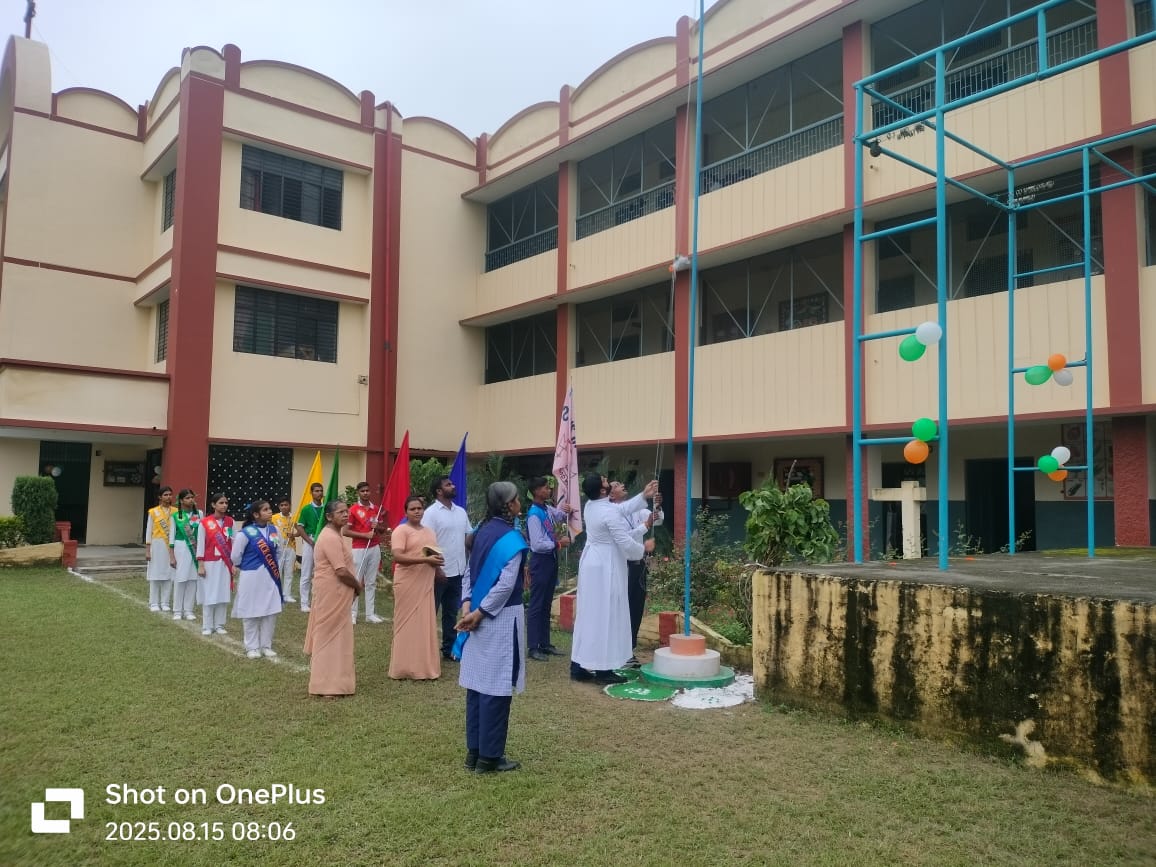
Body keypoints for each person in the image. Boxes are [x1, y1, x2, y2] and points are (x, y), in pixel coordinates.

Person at [454, 481, 530, 774]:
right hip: (500, 618)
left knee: (477, 685)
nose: (519, 502)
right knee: (496, 687)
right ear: (508, 505)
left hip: (476, 615)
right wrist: (480, 613)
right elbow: (506, 586)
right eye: (516, 499)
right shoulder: (512, 539)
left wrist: (468, 607)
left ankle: (473, 752)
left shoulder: (480, 532)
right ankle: (490, 757)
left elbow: (468, 574)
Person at [570, 474, 657, 684]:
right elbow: (624, 542)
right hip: (605, 566)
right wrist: (643, 549)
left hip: (592, 563)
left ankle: (577, 666)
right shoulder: (607, 511)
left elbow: (621, 509)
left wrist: (643, 495)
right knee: (606, 614)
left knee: (589, 614)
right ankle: (603, 671)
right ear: (602, 490)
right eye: (605, 481)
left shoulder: (591, 505)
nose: (608, 481)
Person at [304, 499, 361, 698]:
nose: (345, 515)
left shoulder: (337, 535)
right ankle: (324, 685)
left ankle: (337, 681)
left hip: (337, 592)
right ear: (329, 517)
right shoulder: (329, 537)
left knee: (339, 637)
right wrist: (357, 586)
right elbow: (341, 570)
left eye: (346, 511)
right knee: (328, 636)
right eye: (340, 512)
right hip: (331, 591)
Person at [389, 495, 444, 680]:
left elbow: (431, 554)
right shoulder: (401, 531)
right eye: (412, 509)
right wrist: (424, 560)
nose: (417, 512)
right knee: (406, 623)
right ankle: (402, 668)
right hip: (407, 582)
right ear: (406, 512)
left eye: (419, 508)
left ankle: (423, 667)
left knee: (424, 624)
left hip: (426, 582)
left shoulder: (430, 532)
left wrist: (438, 566)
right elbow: (398, 557)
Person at [608, 482, 663, 662]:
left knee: (636, 609)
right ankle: (618, 650)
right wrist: (645, 526)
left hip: (639, 565)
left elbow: (657, 520)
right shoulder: (612, 514)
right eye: (617, 485)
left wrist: (657, 506)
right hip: (624, 566)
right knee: (623, 609)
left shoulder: (636, 509)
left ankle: (629, 650)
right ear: (611, 495)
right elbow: (623, 539)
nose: (623, 485)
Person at [421, 475, 473, 660]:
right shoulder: (431, 513)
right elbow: (426, 544)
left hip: (458, 571)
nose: (453, 486)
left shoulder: (461, 512)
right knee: (430, 612)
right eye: (448, 484)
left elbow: (468, 537)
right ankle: (425, 652)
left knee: (451, 613)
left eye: (452, 483)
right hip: (438, 572)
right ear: (439, 491)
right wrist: (436, 569)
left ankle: (449, 649)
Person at [524, 476, 571, 661]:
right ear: (536, 491)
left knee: (546, 603)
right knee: (537, 604)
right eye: (545, 488)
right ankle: (533, 646)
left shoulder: (546, 509)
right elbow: (537, 544)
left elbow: (559, 515)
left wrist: (566, 509)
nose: (549, 490)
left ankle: (544, 643)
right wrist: (558, 544)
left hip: (551, 560)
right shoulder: (534, 514)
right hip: (541, 561)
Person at [232, 499, 284, 659]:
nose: (270, 511)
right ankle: (252, 647)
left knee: (270, 611)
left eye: (270, 508)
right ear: (256, 514)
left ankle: (266, 645)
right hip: (251, 576)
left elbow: (279, 551)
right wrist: (249, 565)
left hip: (271, 576)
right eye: (265, 509)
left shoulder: (274, 530)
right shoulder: (245, 533)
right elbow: (235, 556)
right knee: (251, 611)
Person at [345, 481, 386, 625]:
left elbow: (382, 529)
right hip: (359, 548)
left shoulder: (376, 509)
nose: (365, 493)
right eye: (362, 491)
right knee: (356, 581)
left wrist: (378, 526)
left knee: (371, 581)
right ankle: (352, 613)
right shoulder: (353, 509)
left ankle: (370, 614)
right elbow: (345, 531)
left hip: (374, 547)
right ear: (358, 493)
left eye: (367, 490)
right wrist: (364, 535)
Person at [196, 493, 235, 637]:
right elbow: (200, 544)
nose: (224, 505)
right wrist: (201, 564)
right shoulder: (205, 522)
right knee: (209, 593)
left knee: (223, 593)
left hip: (225, 562)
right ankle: (207, 625)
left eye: (226, 503)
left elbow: (234, 542)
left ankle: (219, 624)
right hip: (209, 562)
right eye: (221, 503)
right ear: (213, 505)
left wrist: (234, 563)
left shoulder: (230, 521)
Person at [168, 489, 202, 622]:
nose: (191, 500)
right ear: (181, 500)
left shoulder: (199, 514)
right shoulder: (176, 515)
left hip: (195, 548)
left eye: (192, 497)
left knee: (193, 579)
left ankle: (188, 610)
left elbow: (202, 533)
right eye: (187, 498)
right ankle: (177, 610)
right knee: (180, 579)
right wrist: (172, 556)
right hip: (181, 547)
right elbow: (171, 536)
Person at [295, 483, 326, 613]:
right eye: (316, 491)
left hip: (324, 541)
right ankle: (304, 603)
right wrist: (310, 542)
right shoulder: (306, 509)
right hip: (310, 541)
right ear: (311, 493)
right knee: (306, 573)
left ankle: (319, 601)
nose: (319, 493)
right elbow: (300, 527)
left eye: (321, 491)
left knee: (322, 573)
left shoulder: (326, 508)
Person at [144, 486, 175, 613]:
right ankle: (154, 602)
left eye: (170, 494)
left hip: (171, 546)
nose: (168, 497)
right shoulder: (153, 512)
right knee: (155, 574)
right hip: (157, 544)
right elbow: (148, 531)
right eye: (166, 495)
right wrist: (147, 550)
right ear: (160, 497)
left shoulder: (176, 512)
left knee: (169, 574)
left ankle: (165, 602)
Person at [271, 497, 299, 603]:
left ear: (290, 506)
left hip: (290, 548)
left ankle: (287, 595)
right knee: (277, 571)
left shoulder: (294, 517)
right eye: (281, 505)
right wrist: (274, 540)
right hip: (278, 548)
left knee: (289, 572)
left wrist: (294, 535)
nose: (284, 507)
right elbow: (269, 530)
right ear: (279, 507)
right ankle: (276, 594)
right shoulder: (274, 518)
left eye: (286, 505)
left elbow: (300, 531)